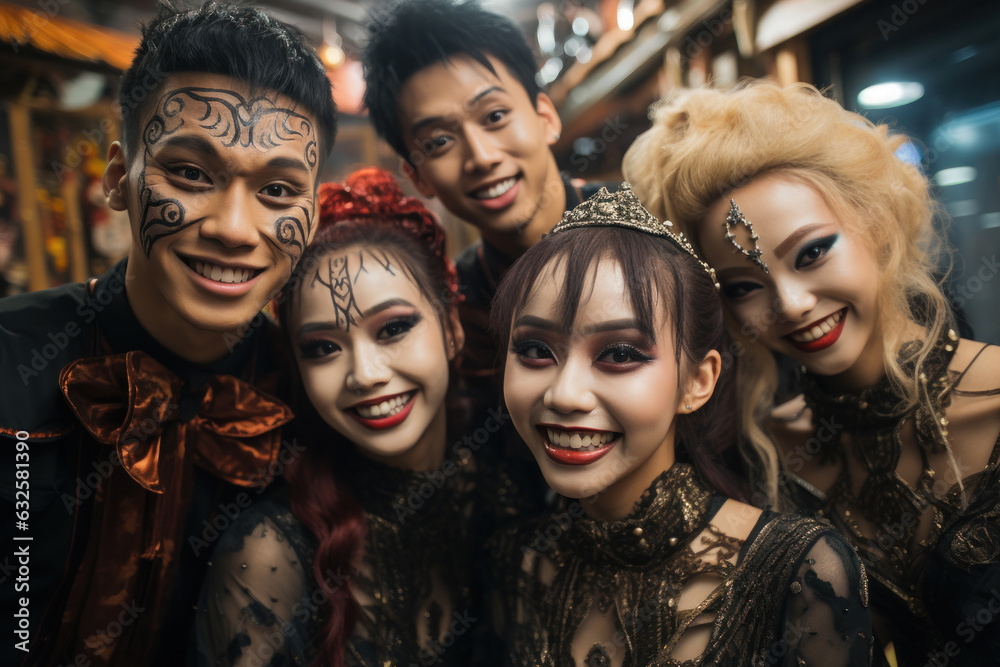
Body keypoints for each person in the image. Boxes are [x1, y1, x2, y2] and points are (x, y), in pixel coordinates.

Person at [0, 3, 336, 665]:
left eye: (277, 189)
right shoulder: (12, 360)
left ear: (314, 210)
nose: (235, 228)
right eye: (189, 173)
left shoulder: (315, 394)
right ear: (119, 179)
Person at [623, 81, 1000, 664]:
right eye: (745, 287)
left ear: (875, 224)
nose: (792, 303)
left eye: (812, 252)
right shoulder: (767, 457)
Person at [488, 184, 872, 665]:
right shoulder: (514, 563)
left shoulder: (799, 571)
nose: (564, 395)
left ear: (697, 381)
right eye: (534, 350)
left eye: (620, 354)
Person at [194, 168, 505, 666]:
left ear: (451, 328)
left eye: (393, 329)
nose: (364, 374)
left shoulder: (509, 476)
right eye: (322, 348)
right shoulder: (270, 557)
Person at [362, 0, 608, 394]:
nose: (481, 157)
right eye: (439, 141)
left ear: (545, 117)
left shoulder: (654, 220)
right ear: (418, 177)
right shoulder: (458, 310)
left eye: (494, 116)